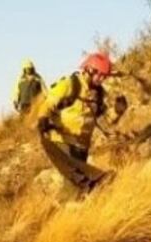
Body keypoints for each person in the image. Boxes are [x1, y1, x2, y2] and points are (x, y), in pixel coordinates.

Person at [36, 52, 128, 191]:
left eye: (105, 76)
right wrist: (43, 119)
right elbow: (48, 103)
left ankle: (80, 200)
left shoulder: (98, 94)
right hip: (63, 141)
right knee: (74, 185)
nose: (102, 79)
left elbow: (104, 122)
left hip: (81, 146)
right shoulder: (70, 84)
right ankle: (98, 179)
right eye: (100, 74)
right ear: (89, 70)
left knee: (74, 190)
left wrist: (117, 111)